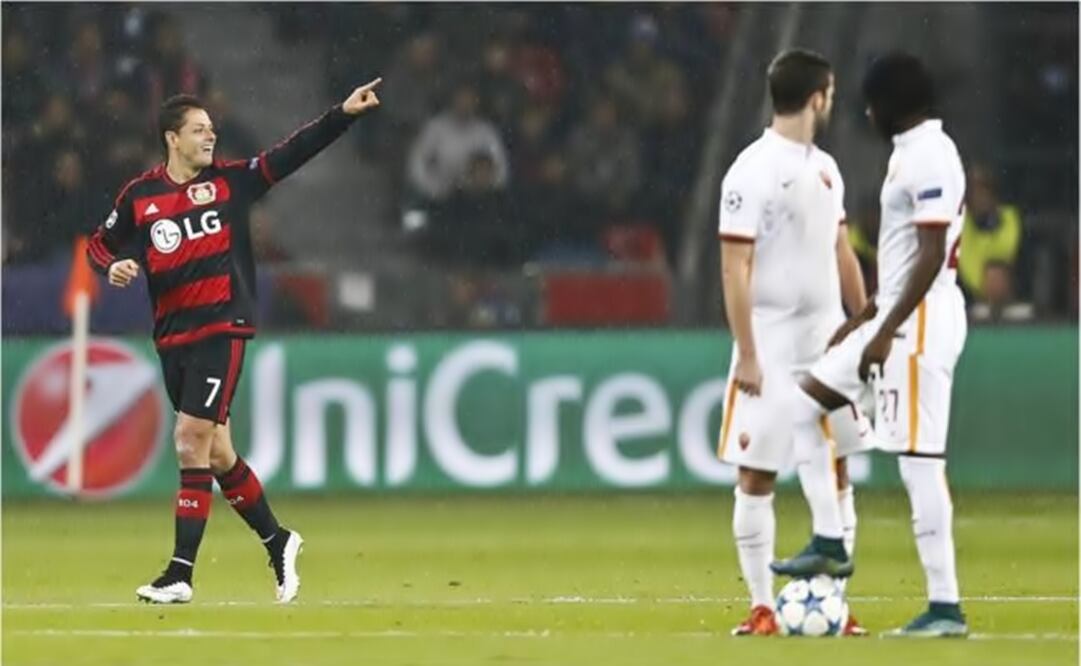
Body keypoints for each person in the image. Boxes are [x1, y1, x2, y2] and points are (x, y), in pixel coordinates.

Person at [86, 78, 383, 604]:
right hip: (173, 337)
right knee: (217, 451)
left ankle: (180, 573)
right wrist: (114, 266)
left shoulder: (232, 183)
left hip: (223, 327)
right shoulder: (140, 196)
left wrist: (343, 114)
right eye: (198, 130)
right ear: (171, 139)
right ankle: (278, 539)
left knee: (188, 439)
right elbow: (98, 246)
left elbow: (292, 153)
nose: (210, 136)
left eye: (212, 129)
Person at [771, 52, 969, 637]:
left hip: (921, 323)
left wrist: (884, 328)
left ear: (889, 105)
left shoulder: (930, 154)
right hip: (891, 317)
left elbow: (932, 253)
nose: (864, 112)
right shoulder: (909, 153)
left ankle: (944, 606)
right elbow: (911, 252)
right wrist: (864, 315)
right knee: (801, 405)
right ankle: (830, 539)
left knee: (920, 464)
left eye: (871, 102)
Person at [717, 49, 870, 637]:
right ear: (817, 97)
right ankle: (761, 607)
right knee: (757, 474)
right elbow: (735, 267)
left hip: (827, 343)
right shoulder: (749, 172)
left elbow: (841, 250)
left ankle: (834, 602)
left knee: (837, 471)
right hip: (772, 345)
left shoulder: (828, 168)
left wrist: (866, 322)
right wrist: (749, 352)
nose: (832, 102)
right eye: (830, 94)